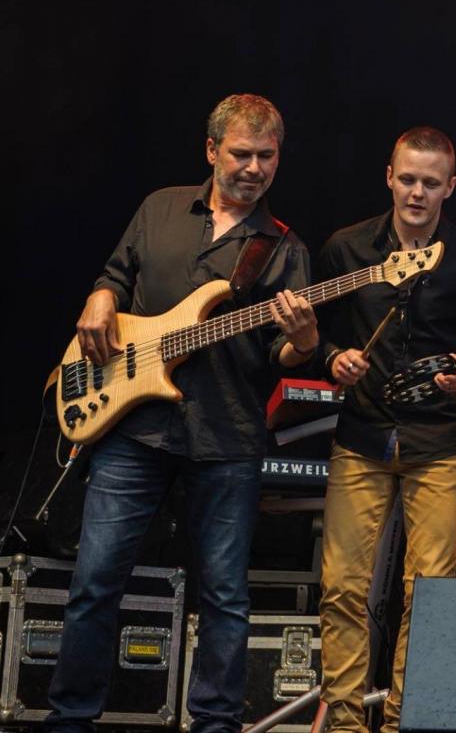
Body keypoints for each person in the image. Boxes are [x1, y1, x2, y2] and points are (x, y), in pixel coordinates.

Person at [46, 94, 316, 733]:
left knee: (224, 597)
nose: (254, 168)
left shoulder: (283, 248)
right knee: (94, 583)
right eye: (241, 154)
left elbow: (280, 355)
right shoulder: (159, 208)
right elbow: (116, 275)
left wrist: (303, 342)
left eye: (267, 156)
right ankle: (69, 719)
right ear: (211, 150)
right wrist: (100, 297)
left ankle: (215, 723)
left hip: (227, 436)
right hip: (132, 426)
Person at [314, 126, 456, 733]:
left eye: (431, 183)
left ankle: (402, 723)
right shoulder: (346, 247)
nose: (418, 193)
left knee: (430, 595)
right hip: (362, 434)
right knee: (342, 586)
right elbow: (315, 335)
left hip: (439, 441)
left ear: (451, 186)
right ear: (389, 178)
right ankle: (345, 726)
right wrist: (334, 358)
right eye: (409, 179)